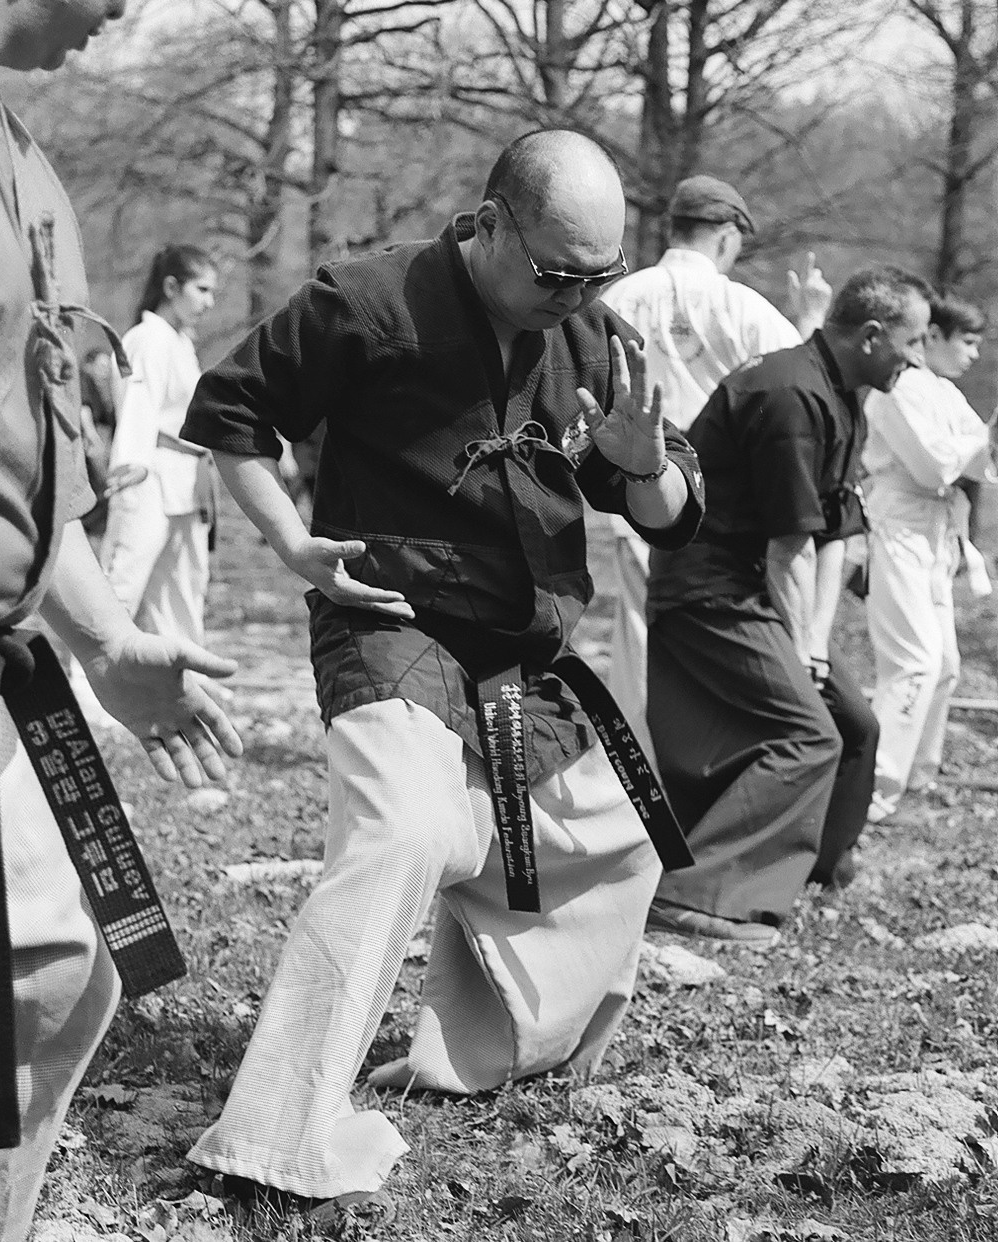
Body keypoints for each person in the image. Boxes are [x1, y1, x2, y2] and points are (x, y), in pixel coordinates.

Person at [178, 129, 705, 1211]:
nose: (576, 295)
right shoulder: (369, 302)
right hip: (391, 623)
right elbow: (233, 412)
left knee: (617, 834)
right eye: (556, 272)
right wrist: (290, 542)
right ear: (492, 223)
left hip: (525, 651)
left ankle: (483, 1051)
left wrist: (646, 464)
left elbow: (664, 512)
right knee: (405, 835)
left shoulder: (594, 340)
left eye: (598, 274)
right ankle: (276, 1132)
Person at [0, 6, 243, 1241]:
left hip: (9, 644)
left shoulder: (22, 155)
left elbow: (28, 438)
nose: (134, 8)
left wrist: (106, 642)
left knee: (59, 974)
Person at [644, 267, 933, 944]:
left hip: (762, 587)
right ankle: (694, 895)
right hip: (710, 589)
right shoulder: (789, 394)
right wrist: (802, 652)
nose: (918, 358)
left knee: (854, 723)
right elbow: (788, 549)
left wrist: (815, 645)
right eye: (914, 341)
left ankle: (816, 867)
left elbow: (835, 535)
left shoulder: (844, 394)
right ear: (872, 335)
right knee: (808, 735)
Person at [602, 175, 832, 760]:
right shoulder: (743, 308)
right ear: (727, 238)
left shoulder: (619, 298)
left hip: (630, 494)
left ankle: (634, 778)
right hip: (715, 511)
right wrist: (809, 318)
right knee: (711, 647)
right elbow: (794, 379)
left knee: (638, 646)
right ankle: (703, 764)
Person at [863, 292, 997, 823]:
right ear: (933, 336)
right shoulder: (899, 387)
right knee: (912, 661)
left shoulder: (944, 392)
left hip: (935, 532)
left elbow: (980, 462)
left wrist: (986, 443)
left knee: (944, 665)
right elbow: (933, 465)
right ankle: (874, 792)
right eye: (967, 341)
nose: (973, 355)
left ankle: (916, 779)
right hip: (897, 527)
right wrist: (979, 444)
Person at [99, 245, 219, 649]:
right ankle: (89, 678)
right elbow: (138, 404)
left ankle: (185, 674)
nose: (209, 302)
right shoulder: (146, 338)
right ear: (171, 287)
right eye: (201, 289)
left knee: (184, 587)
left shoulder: (179, 342)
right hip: (149, 474)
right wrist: (131, 465)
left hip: (187, 479)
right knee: (123, 581)